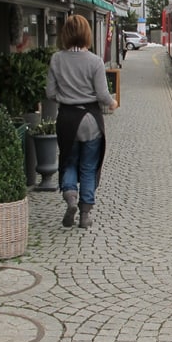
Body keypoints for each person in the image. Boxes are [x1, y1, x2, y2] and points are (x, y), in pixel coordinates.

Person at [45, 15, 118, 229]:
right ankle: (85, 215)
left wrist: (64, 98)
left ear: (65, 34)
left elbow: (50, 92)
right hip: (90, 119)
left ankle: (70, 199)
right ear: (87, 34)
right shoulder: (95, 61)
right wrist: (112, 103)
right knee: (88, 166)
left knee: (68, 161)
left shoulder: (57, 59)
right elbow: (103, 95)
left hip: (67, 119)